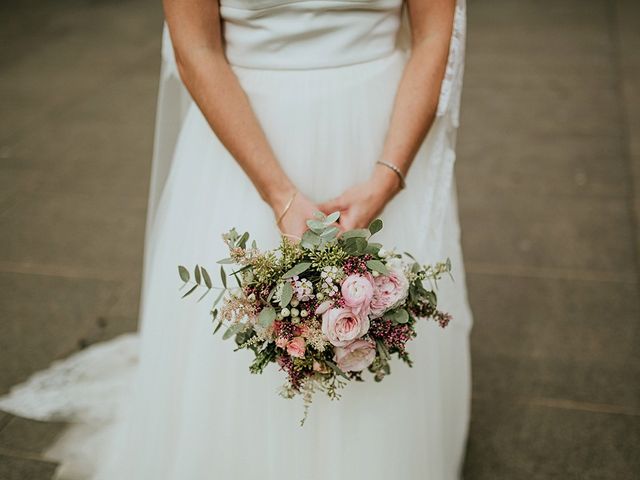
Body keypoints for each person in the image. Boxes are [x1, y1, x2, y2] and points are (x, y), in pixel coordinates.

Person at [1, 0, 473, 478]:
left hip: (381, 133)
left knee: (382, 321)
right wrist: (280, 196)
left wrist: (388, 178)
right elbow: (196, 48)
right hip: (243, 139)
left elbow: (436, 34)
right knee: (244, 345)